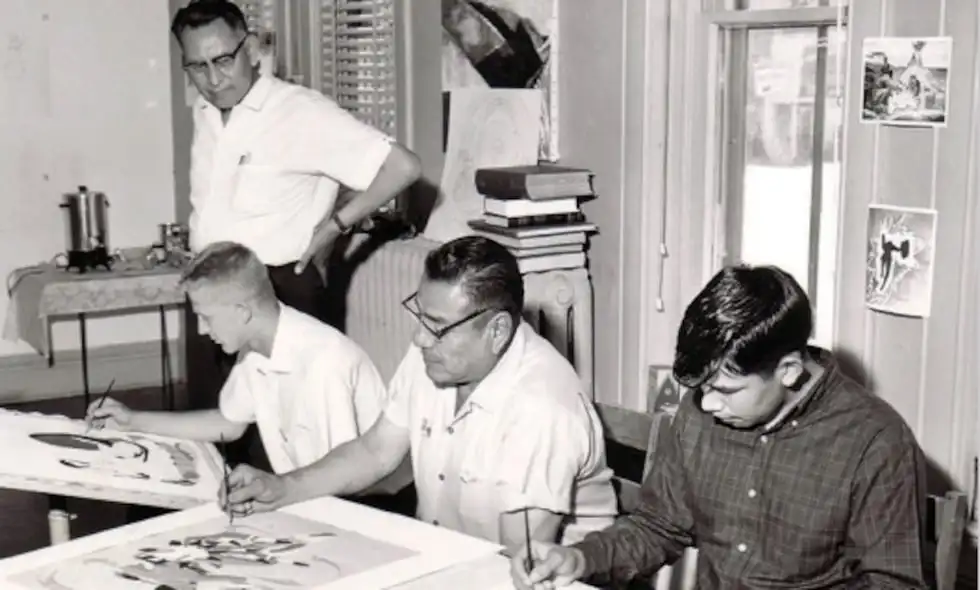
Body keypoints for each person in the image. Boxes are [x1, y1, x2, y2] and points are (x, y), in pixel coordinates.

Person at [512, 265, 928, 589]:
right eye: (702, 388)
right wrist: (581, 558)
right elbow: (659, 526)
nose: (707, 405)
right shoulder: (699, 412)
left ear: (788, 370)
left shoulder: (875, 441)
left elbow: (892, 582)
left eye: (725, 390)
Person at [218, 236, 618, 552]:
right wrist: (282, 487)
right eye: (420, 316)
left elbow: (519, 560)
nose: (419, 337)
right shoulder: (436, 355)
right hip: (448, 557)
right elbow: (374, 452)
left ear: (497, 331)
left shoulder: (542, 408)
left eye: (438, 326)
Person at [171, 0, 422, 465]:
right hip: (215, 293)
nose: (213, 78)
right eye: (197, 66)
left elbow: (402, 166)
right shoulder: (206, 113)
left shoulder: (299, 112)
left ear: (252, 47)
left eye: (223, 59)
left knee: (291, 453)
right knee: (219, 433)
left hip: (276, 290)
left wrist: (334, 227)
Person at [86, 242, 389, 481]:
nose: (203, 331)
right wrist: (132, 421)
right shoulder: (255, 347)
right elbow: (228, 423)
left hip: (364, 505)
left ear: (243, 311)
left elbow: (338, 478)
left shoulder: (324, 362)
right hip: (306, 492)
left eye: (206, 318)